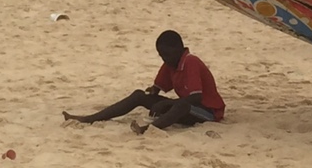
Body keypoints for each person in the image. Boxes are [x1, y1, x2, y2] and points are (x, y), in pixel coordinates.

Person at [63, 30, 225, 135]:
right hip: (187, 106)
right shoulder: (171, 63)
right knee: (139, 95)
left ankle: (148, 129)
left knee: (180, 105)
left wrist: (164, 104)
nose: (164, 59)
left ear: (179, 49)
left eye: (167, 54)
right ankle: (90, 118)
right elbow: (158, 87)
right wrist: (152, 93)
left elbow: (196, 97)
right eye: (161, 55)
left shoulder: (190, 61)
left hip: (208, 112)